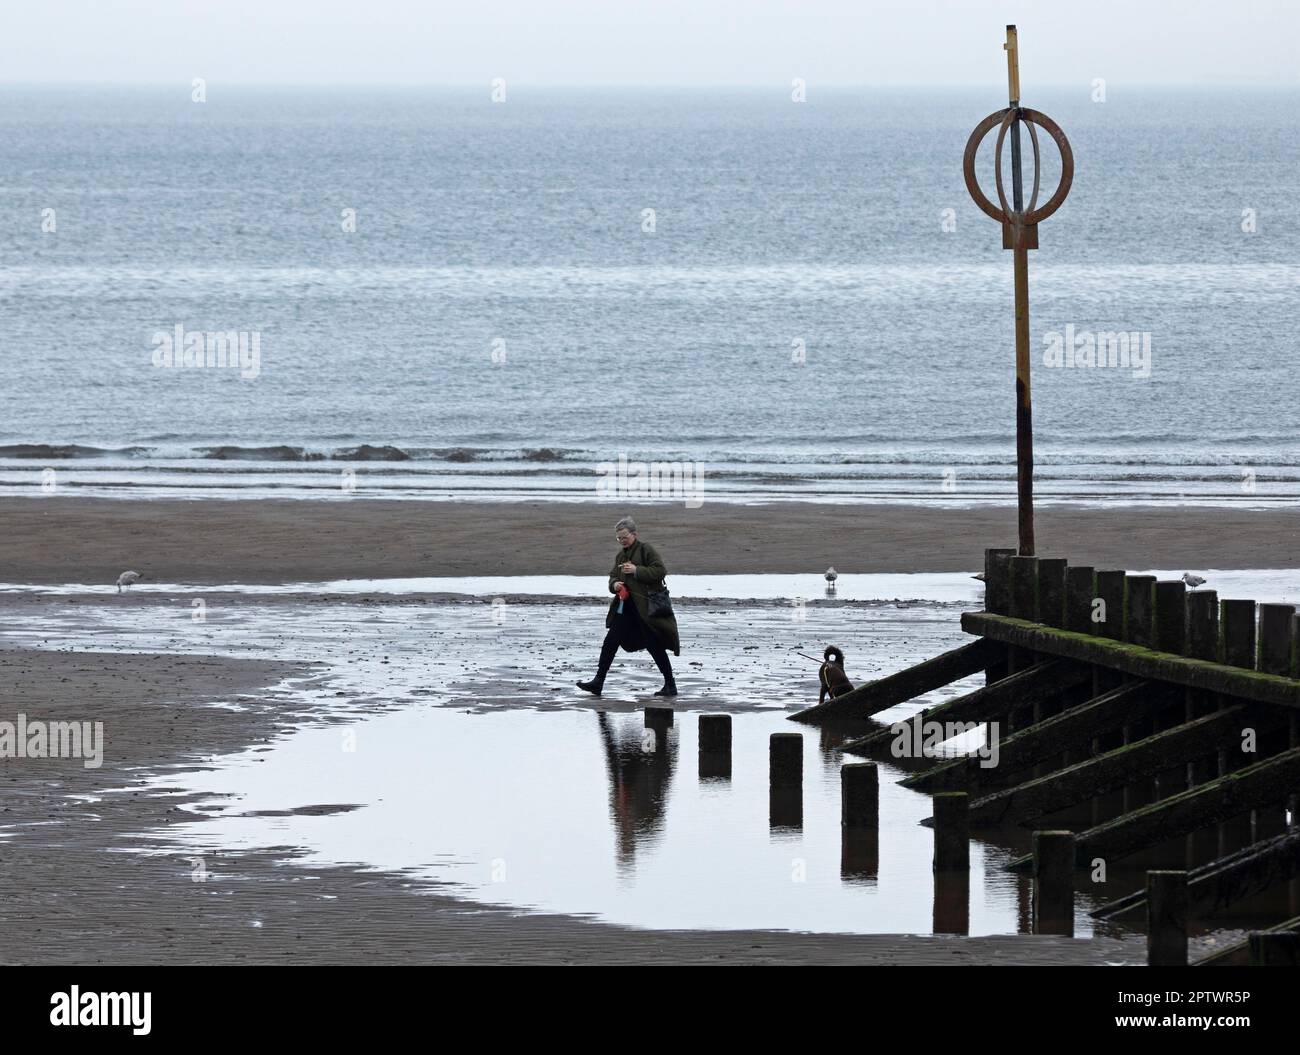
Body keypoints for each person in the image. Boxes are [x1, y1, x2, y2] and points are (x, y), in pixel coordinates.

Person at [577, 516, 680, 697]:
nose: (622, 541)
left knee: (653, 644)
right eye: (619, 538)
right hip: (625, 608)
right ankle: (598, 682)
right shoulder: (620, 555)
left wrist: (636, 570)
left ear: (634, 534)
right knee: (610, 641)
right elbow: (612, 576)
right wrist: (615, 585)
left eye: (624, 537)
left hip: (647, 610)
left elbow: (660, 571)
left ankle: (670, 685)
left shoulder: (646, 549)